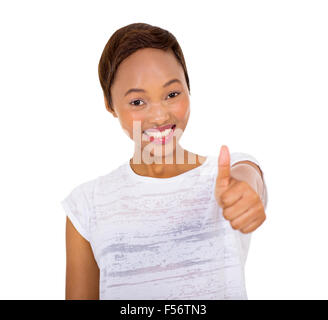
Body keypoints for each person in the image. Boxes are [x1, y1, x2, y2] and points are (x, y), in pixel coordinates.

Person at [61, 23, 268, 300]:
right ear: (110, 105)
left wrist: (245, 189)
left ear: (188, 89)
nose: (159, 117)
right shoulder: (86, 204)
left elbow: (248, 177)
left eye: (172, 94)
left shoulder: (226, 174)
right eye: (137, 102)